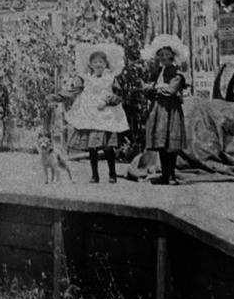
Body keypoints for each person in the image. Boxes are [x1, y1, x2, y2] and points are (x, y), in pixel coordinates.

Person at [63, 42, 129, 183]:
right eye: (95, 62)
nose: (98, 64)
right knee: (92, 146)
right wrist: (60, 96)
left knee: (107, 146)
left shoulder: (111, 78)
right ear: (90, 64)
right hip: (91, 116)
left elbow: (119, 96)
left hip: (106, 115)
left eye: (101, 61)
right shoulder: (87, 79)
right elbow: (75, 91)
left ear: (106, 64)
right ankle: (95, 175)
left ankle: (112, 173)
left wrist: (107, 101)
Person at [139, 33, 190, 185]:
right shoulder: (157, 73)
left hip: (171, 110)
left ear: (172, 56)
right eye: (161, 54)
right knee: (162, 143)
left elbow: (171, 91)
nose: (163, 57)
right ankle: (165, 174)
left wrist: (156, 88)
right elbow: (146, 90)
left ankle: (172, 175)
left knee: (170, 144)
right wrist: (156, 87)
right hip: (159, 110)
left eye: (167, 54)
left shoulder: (177, 73)